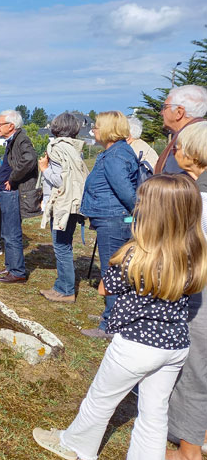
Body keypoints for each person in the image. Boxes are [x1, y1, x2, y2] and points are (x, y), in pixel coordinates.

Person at [33, 174, 207, 460]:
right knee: (154, 415)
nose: (136, 206)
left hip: (136, 344)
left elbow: (103, 289)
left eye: (141, 203)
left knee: (101, 397)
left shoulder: (133, 253)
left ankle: (76, 444)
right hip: (175, 345)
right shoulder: (194, 251)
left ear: (151, 212)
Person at [163, 124, 207, 460]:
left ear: (190, 153)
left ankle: (189, 454)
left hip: (201, 295)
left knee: (194, 369)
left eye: (178, 146)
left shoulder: (198, 199)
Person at [80, 111, 138, 338]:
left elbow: (127, 193)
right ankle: (113, 313)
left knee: (113, 271)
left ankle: (111, 325)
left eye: (96, 126)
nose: (93, 130)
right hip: (113, 218)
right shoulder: (116, 152)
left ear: (107, 130)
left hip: (114, 220)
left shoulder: (115, 156)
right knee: (117, 270)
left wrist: (136, 215)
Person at [38, 113, 89, 303]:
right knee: (64, 245)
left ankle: (65, 290)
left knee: (61, 247)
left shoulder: (56, 147)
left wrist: (44, 169)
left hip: (63, 204)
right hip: (74, 203)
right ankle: (63, 286)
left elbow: (60, 180)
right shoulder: (75, 147)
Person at [0, 110, 41, 284]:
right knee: (6, 232)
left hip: (14, 192)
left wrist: (13, 178)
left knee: (12, 233)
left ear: (11, 126)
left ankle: (17, 272)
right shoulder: (13, 140)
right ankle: (10, 267)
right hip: (8, 192)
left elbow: (30, 159)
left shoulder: (21, 139)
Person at [154, 84, 207, 174]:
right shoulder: (200, 134)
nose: (161, 113)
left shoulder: (186, 140)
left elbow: (172, 180)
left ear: (179, 112)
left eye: (165, 107)